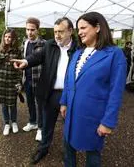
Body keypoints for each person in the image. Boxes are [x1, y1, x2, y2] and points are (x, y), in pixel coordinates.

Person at [60, 12, 127, 167]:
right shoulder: (77, 53)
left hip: (94, 116)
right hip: (72, 112)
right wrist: (64, 101)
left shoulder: (114, 54)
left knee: (93, 154)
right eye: (78, 29)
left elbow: (116, 92)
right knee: (68, 148)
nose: (80, 32)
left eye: (83, 27)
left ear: (97, 27)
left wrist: (108, 122)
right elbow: (69, 80)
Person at [11, 17, 78, 164]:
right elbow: (37, 56)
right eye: (55, 32)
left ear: (70, 31)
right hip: (51, 93)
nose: (57, 35)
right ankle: (43, 148)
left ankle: (68, 154)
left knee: (70, 125)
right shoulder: (50, 45)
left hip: (70, 95)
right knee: (47, 123)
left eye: (60, 32)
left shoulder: (79, 49)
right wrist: (26, 62)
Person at [0, 28, 22, 136]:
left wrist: (19, 82)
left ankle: (14, 122)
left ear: (13, 38)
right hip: (1, 82)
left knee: (13, 104)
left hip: (12, 82)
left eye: (10, 37)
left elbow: (20, 69)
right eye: (6, 36)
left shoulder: (18, 51)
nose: (7, 39)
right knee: (3, 104)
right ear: (3, 37)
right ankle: (6, 124)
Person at [22, 17, 46, 141]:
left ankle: (41, 128)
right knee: (30, 102)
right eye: (27, 29)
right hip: (27, 79)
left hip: (39, 80)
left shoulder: (44, 44)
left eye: (32, 30)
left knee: (40, 105)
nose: (30, 32)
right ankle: (32, 122)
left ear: (37, 30)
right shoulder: (24, 43)